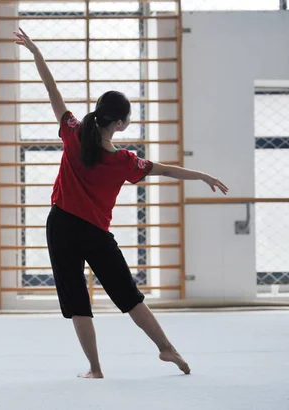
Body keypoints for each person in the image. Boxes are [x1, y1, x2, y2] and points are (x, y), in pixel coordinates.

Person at [14, 28, 228, 378]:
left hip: (62, 226)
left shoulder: (73, 133)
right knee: (128, 295)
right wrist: (201, 175)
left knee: (76, 301)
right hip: (95, 233)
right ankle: (167, 348)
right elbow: (165, 170)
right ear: (119, 123)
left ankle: (95, 368)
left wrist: (37, 54)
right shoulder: (125, 161)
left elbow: (52, 91)